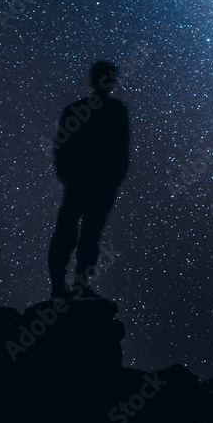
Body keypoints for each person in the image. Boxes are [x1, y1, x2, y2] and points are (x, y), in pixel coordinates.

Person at [47, 61, 129, 299]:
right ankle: (74, 285)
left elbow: (61, 146)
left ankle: (65, 286)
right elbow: (122, 149)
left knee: (74, 232)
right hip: (93, 183)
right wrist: (114, 178)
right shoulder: (115, 110)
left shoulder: (79, 109)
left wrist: (68, 176)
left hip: (85, 182)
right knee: (84, 233)